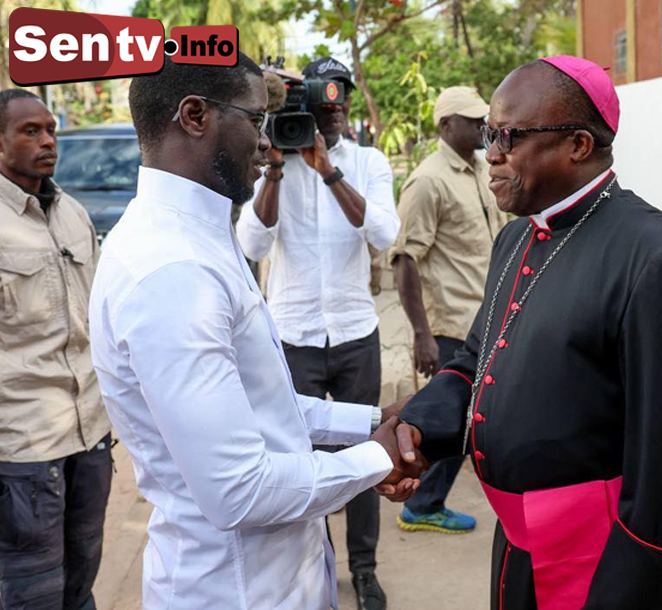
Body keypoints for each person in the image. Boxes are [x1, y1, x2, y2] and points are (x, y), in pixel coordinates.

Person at [392, 56, 662, 609]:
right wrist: (417, 429)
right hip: (519, 552)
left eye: (509, 136)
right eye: (489, 134)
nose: (492, 153)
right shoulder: (515, 239)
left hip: (609, 570)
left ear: (578, 144)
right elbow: (478, 361)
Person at [88, 54, 422, 610]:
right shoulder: (171, 269)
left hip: (281, 577)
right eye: (256, 120)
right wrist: (378, 457)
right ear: (195, 116)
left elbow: (264, 408)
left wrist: (371, 420)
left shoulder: (196, 233)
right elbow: (238, 490)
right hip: (236, 590)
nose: (268, 143)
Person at [235, 55, 401, 610]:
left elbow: (383, 234)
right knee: (303, 458)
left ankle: (365, 568)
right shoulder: (273, 163)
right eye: (320, 100)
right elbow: (252, 243)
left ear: (349, 103)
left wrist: (328, 171)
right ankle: (318, 562)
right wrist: (276, 170)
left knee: (367, 451)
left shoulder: (368, 161)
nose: (332, 110)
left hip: (354, 331)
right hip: (294, 335)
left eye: (340, 98)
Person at [0, 89, 112, 610]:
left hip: (90, 436)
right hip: (23, 449)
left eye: (50, 130)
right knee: (32, 594)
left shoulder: (73, 213)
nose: (48, 141)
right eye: (31, 131)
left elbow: (98, 318)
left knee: (81, 581)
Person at [389, 86, 506, 535]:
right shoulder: (427, 181)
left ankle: (425, 502)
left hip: (486, 318)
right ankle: (421, 505)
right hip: (453, 325)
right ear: (445, 125)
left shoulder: (482, 168)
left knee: (469, 420)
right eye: (472, 120)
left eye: (483, 120)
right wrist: (422, 334)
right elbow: (405, 259)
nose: (482, 127)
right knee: (455, 421)